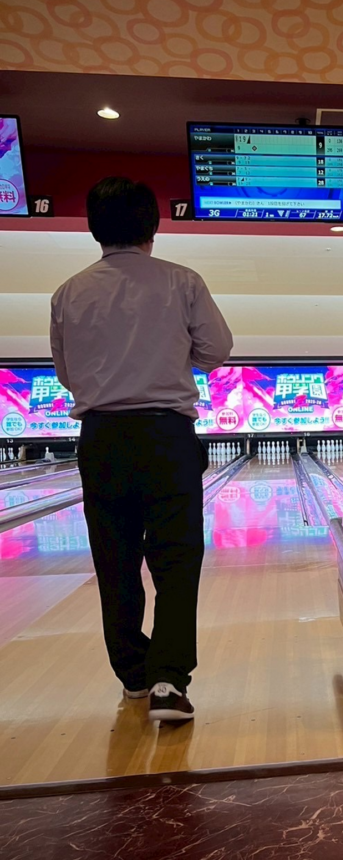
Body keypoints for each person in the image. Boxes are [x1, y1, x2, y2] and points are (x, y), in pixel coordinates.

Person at [50, 177, 233, 723]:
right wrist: (172, 357)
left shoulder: (68, 292)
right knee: (177, 559)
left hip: (102, 438)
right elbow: (216, 351)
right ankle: (168, 682)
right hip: (166, 436)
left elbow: (67, 374)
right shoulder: (182, 281)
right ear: (153, 226)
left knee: (115, 558)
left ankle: (133, 673)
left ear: (93, 229)